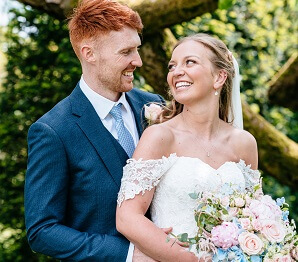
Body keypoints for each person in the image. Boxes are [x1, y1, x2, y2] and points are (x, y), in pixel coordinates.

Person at [24, 0, 164, 260]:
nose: (139, 61)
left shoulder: (154, 106)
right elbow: (42, 230)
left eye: (138, 49)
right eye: (126, 52)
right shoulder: (52, 131)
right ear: (89, 53)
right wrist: (128, 255)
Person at [116, 33, 260, 261]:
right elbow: (127, 217)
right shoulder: (160, 136)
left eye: (189, 62)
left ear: (219, 77)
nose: (176, 72)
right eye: (172, 66)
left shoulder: (244, 143)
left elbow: (253, 219)